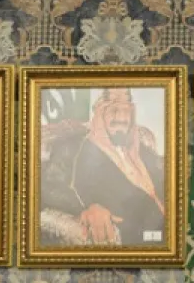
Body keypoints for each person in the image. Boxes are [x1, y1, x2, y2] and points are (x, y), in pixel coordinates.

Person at [45, 87, 167, 247]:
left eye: (126, 110)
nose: (121, 118)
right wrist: (87, 208)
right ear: (99, 112)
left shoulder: (143, 152)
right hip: (137, 240)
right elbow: (48, 188)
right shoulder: (73, 147)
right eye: (113, 109)